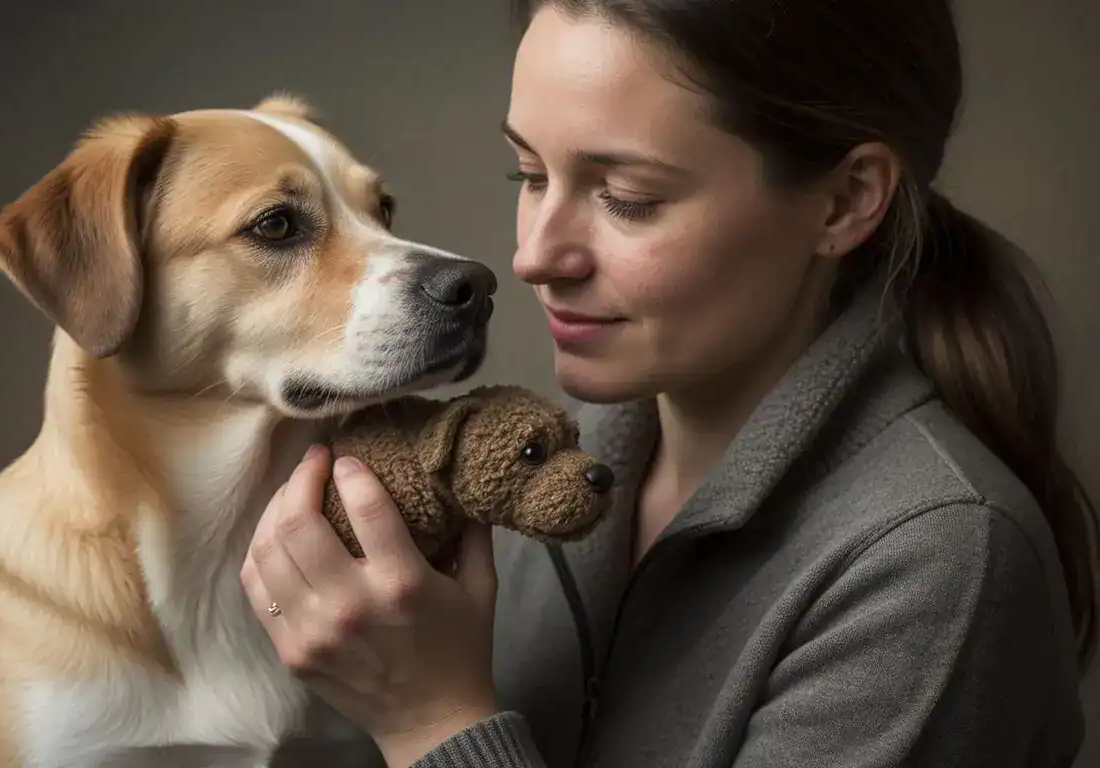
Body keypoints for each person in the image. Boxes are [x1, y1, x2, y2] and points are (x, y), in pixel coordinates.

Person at [239, 1, 1099, 766]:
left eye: (627, 197)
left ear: (843, 202)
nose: (535, 256)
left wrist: (432, 722)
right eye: (529, 176)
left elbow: (433, 728)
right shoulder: (526, 474)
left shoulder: (940, 563)